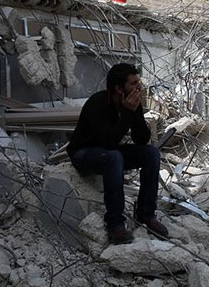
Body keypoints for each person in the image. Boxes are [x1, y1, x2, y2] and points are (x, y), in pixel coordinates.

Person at [67, 63, 168, 244]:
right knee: (114, 157)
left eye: (139, 82)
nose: (139, 87)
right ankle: (115, 224)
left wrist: (135, 112)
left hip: (108, 152)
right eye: (133, 83)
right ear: (119, 88)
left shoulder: (131, 102)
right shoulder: (97, 103)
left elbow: (141, 140)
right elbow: (108, 142)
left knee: (151, 153)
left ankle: (146, 214)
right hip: (83, 153)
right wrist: (128, 113)